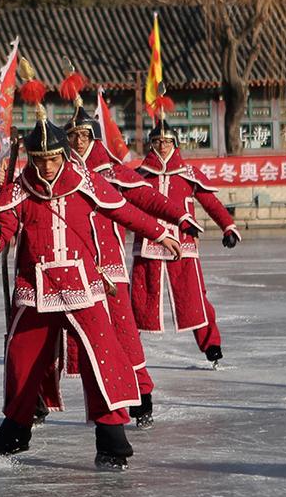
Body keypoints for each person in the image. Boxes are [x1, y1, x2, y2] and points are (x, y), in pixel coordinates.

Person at [0, 61, 181, 470]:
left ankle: (112, 437)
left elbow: (123, 209)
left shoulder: (84, 181)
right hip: (34, 286)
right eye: (40, 159)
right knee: (22, 355)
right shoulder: (20, 188)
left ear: (62, 155)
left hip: (83, 283)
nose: (48, 167)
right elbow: (6, 222)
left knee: (102, 354)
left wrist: (160, 232)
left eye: (53, 158)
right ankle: (16, 428)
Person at [38, 81, 203, 429]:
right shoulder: (57, 173)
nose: (78, 141)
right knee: (48, 335)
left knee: (124, 334)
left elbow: (144, 200)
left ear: (95, 138)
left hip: (108, 268)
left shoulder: (109, 172)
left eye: (84, 135)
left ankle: (142, 394)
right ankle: (34, 400)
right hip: (67, 269)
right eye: (73, 135)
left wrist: (178, 217)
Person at [130, 119, 241, 367]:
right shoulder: (139, 176)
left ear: (175, 144)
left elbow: (210, 203)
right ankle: (128, 345)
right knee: (138, 300)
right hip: (149, 245)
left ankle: (211, 343)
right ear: (151, 144)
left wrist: (228, 227)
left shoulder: (188, 174)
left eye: (167, 141)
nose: (162, 146)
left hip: (183, 245)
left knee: (195, 298)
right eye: (157, 141)